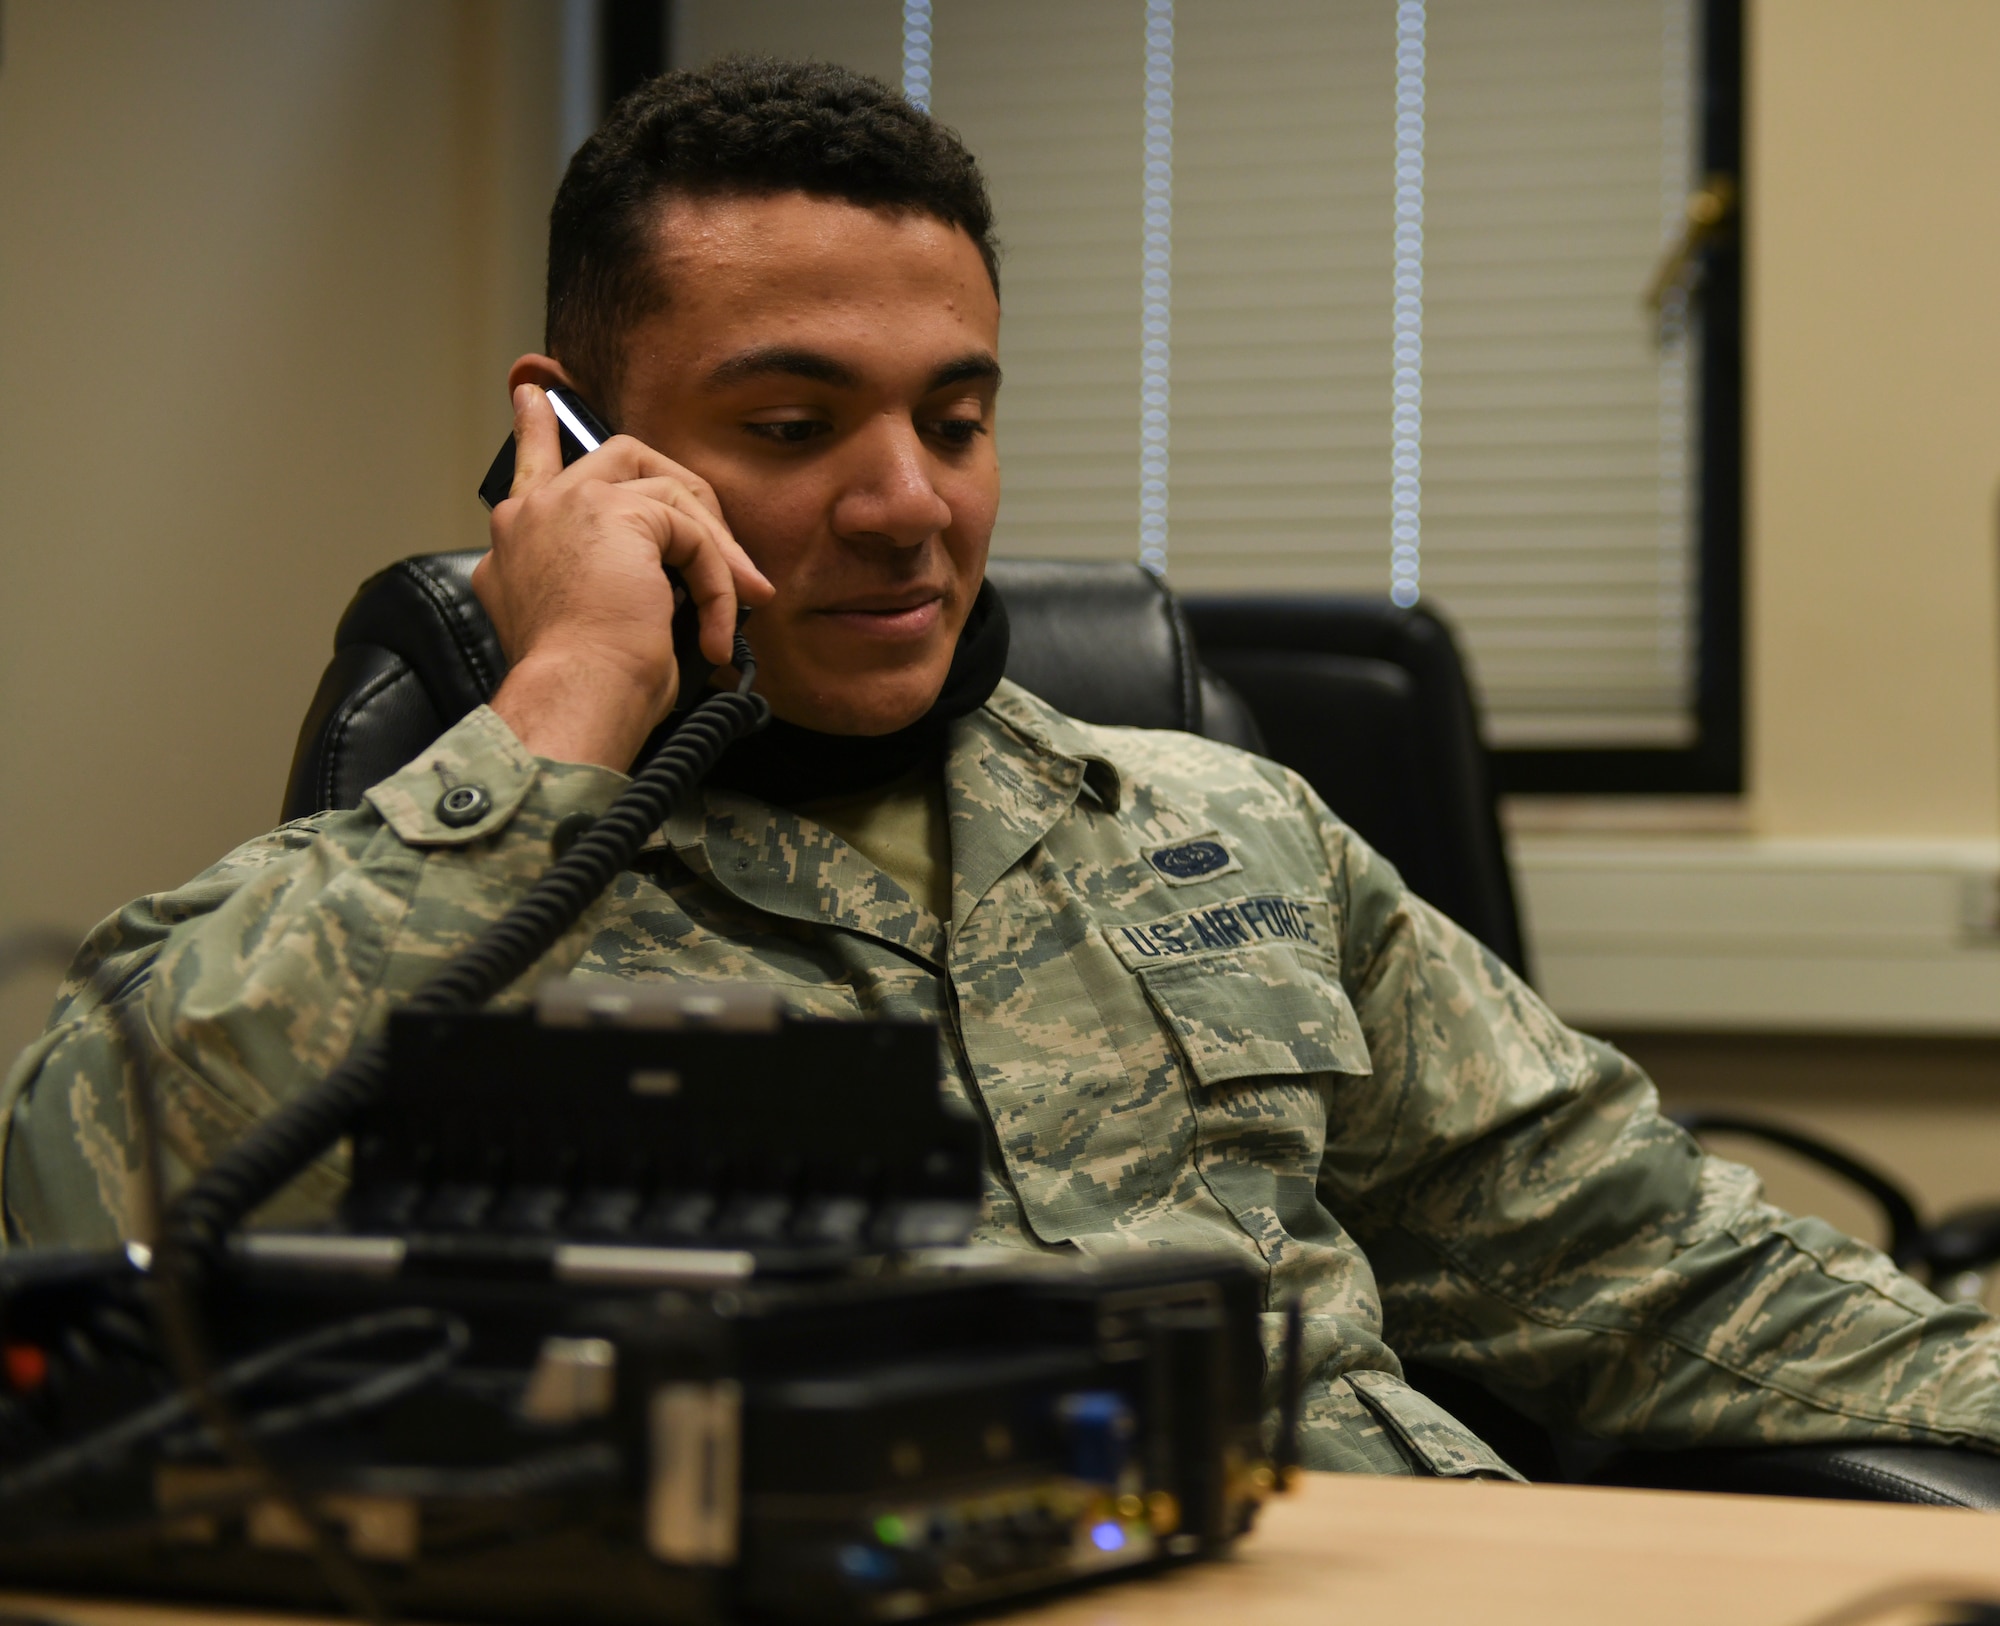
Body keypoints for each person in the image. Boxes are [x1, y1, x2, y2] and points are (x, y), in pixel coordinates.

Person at [5, 58, 1998, 1480]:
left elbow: (1654, 1274)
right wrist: (565, 706)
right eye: (794, 423)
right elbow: (87, 1192)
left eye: (954, 418)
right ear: (579, 445)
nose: (907, 507)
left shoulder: (1221, 828)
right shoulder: (460, 884)